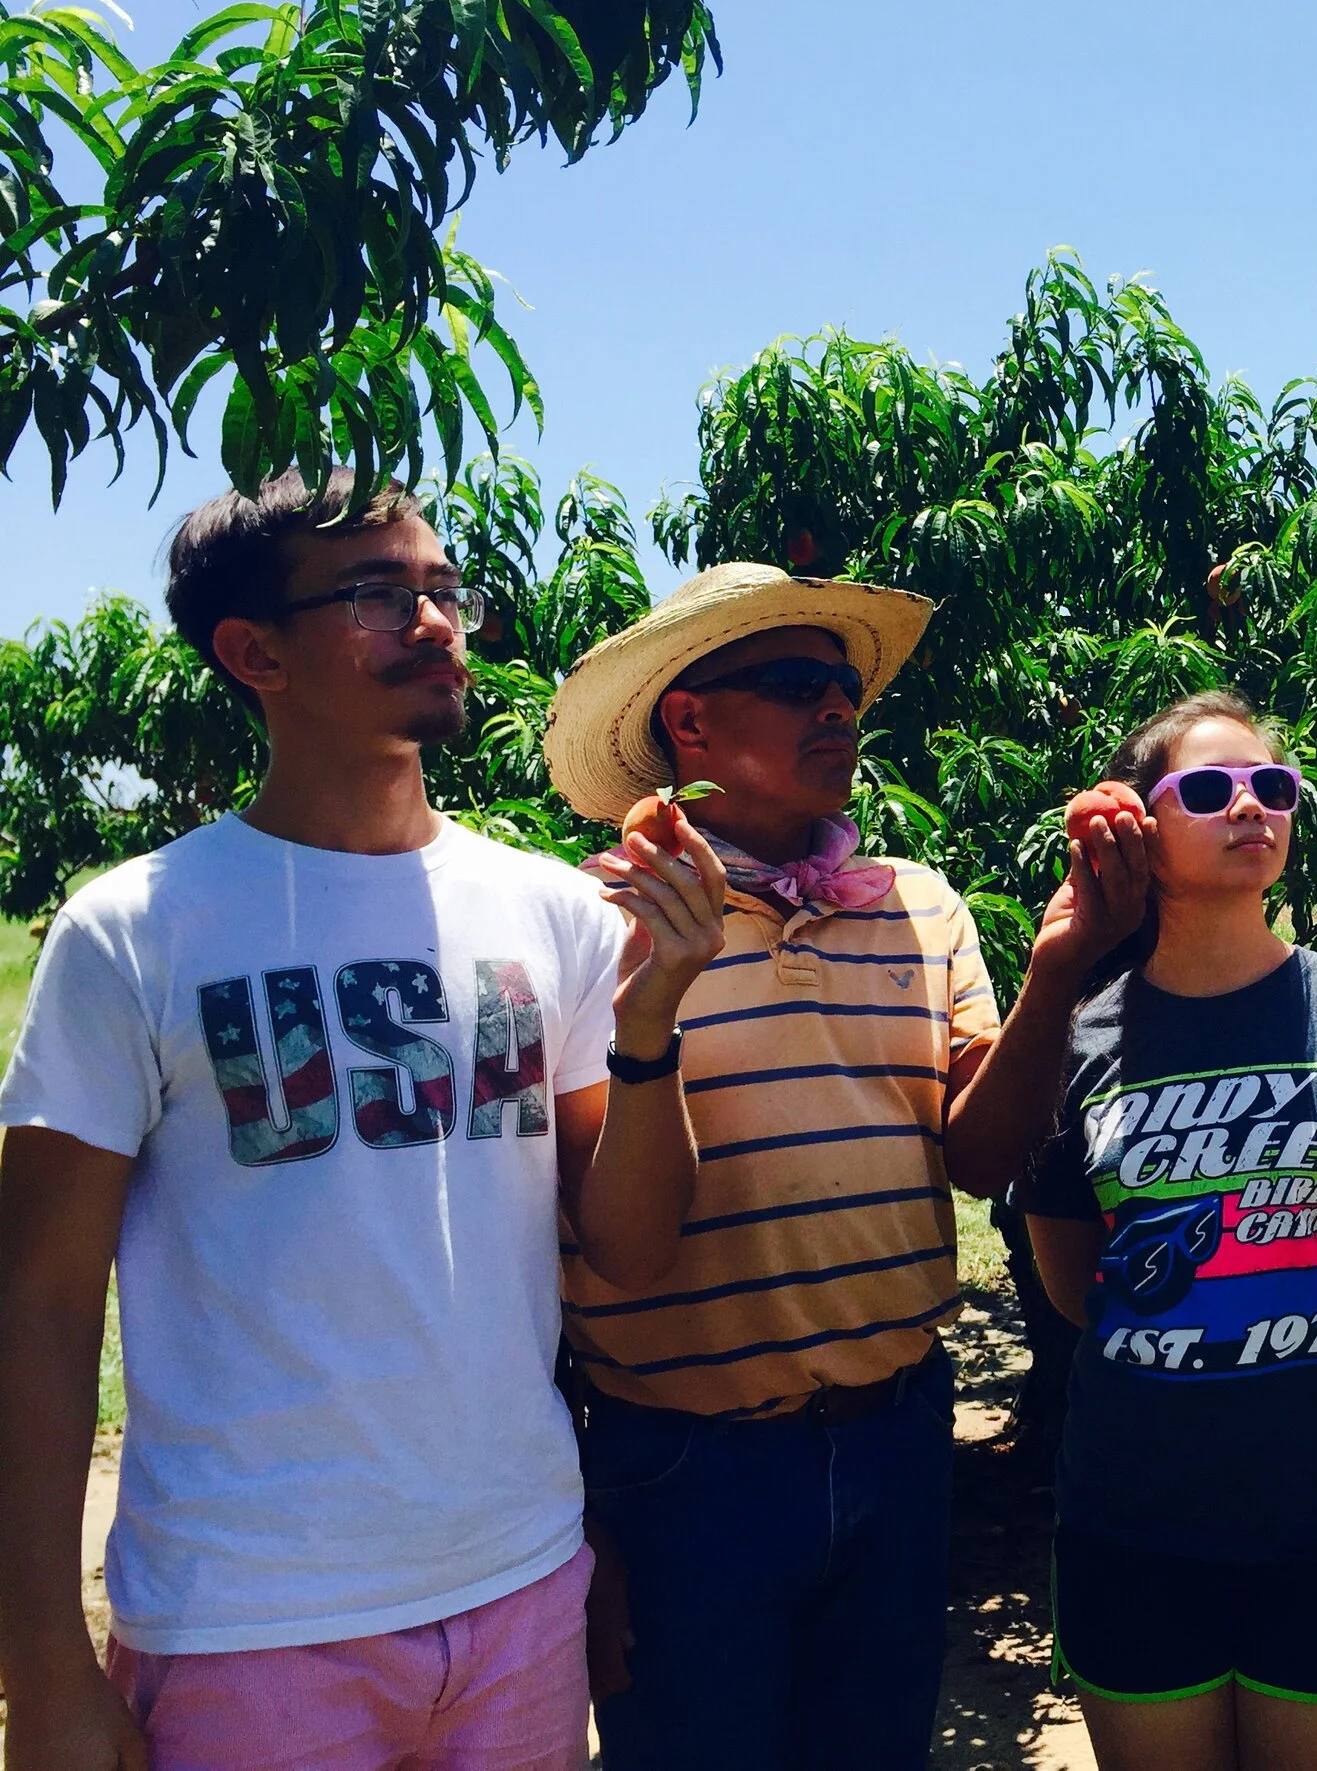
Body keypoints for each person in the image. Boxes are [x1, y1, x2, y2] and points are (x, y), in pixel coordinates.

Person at [0, 468, 725, 1771]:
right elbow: (40, 1303)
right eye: (378, 594)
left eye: (443, 588)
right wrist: (41, 1660)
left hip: (517, 1585)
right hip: (250, 1620)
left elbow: (630, 1247)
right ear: (254, 652)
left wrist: (653, 1016)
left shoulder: (550, 911)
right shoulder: (135, 931)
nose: (436, 621)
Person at [538, 562, 1147, 1771]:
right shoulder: (584, 922)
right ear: (688, 721)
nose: (836, 707)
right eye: (793, 682)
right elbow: (581, 1238)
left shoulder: (919, 906)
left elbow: (980, 1159)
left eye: (844, 687)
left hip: (894, 1431)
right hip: (680, 1462)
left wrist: (1059, 972)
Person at [1010, 691, 1317, 1771]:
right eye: (1210, 788)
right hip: (1133, 1517)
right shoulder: (1078, 1038)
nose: (1251, 807)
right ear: (1139, 825)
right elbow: (1071, 1281)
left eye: (1272, 786)